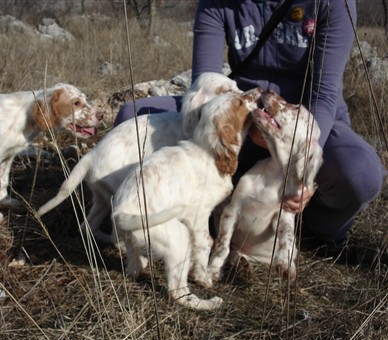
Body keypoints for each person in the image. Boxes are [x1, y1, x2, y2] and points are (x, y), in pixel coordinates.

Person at [113, 0, 385, 262]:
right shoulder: (218, 2)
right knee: (132, 117)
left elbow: (324, 95)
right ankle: (140, 218)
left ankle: (319, 230)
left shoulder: (334, 3)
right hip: (241, 113)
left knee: (360, 173)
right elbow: (204, 85)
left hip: (303, 122)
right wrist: (243, 127)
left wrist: (304, 169)